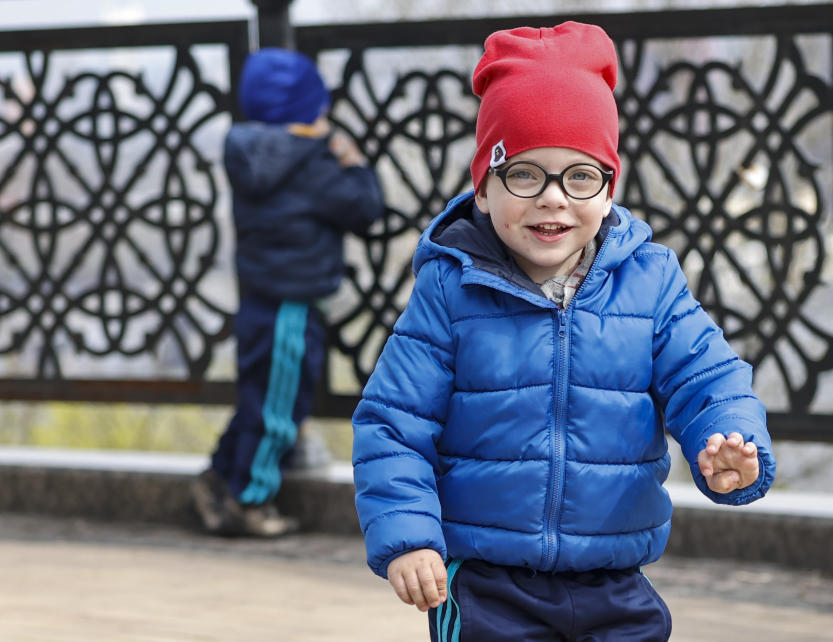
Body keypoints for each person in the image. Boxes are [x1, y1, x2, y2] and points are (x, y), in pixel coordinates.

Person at [352, 21, 775, 641]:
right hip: (488, 582)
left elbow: (708, 376)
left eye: (580, 176)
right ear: (485, 187)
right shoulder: (450, 290)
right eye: (524, 174)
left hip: (615, 577)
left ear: (608, 191)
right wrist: (410, 538)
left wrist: (729, 440)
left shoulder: (649, 282)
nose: (554, 198)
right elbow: (394, 423)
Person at [192, 47, 384, 537]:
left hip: (259, 298)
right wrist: (354, 161)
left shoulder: (246, 151)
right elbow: (365, 208)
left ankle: (217, 479)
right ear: (310, 110)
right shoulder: (312, 163)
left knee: (258, 399)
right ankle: (247, 501)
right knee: (278, 408)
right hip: (294, 304)